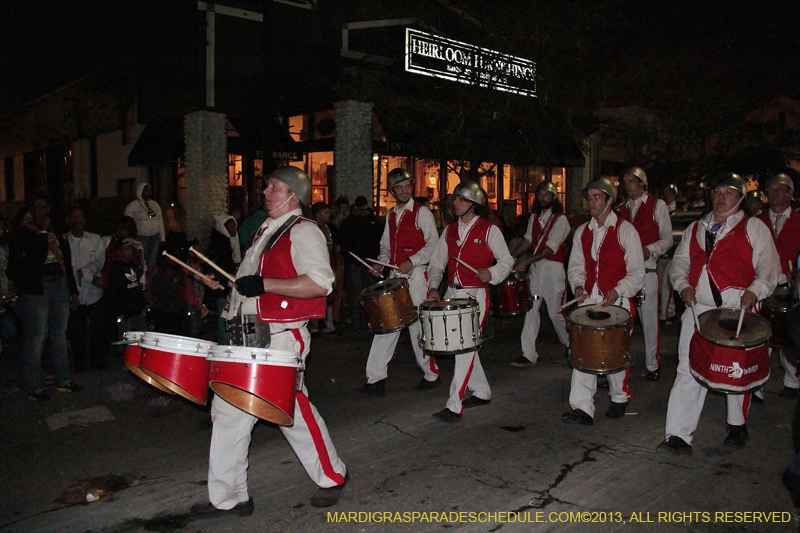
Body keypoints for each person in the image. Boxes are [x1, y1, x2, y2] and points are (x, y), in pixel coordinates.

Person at [190, 166, 347, 519]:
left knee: (289, 412)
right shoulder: (266, 229)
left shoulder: (304, 231)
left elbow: (321, 283)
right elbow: (251, 281)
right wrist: (229, 283)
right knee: (228, 412)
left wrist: (265, 284)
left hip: (279, 338)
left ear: (294, 194)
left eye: (273, 187)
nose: (265, 192)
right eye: (267, 187)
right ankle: (230, 498)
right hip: (248, 336)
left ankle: (333, 474)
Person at [658, 173, 779, 454]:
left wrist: (755, 290)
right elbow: (680, 263)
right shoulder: (696, 228)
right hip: (698, 309)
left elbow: (769, 268)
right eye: (717, 192)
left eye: (728, 192)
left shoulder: (755, 228)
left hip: (736, 309)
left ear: (740, 198)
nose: (721, 197)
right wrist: (683, 285)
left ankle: (737, 425)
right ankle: (678, 435)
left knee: (735, 369)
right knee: (688, 368)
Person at [426, 181, 513, 423]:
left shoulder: (489, 230)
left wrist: (492, 273)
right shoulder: (449, 230)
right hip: (452, 293)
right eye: (455, 199)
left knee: (462, 349)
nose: (455, 203)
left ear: (473, 205)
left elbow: (506, 261)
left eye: (461, 200)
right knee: (464, 346)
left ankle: (454, 404)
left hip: (475, 295)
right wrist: (433, 286)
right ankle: (482, 391)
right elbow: (437, 263)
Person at [563, 177, 644, 425]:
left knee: (615, 354)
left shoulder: (625, 230)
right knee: (583, 351)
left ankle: (619, 397)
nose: (591, 202)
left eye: (597, 197)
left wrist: (618, 290)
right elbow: (576, 265)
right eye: (589, 197)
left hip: (617, 301)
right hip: (589, 300)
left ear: (610, 200)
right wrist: (577, 285)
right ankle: (582, 407)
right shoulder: (582, 232)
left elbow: (637, 273)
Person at [358, 169, 441, 396]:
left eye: (407, 186)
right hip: (396, 277)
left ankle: (431, 373)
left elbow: (434, 245)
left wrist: (412, 261)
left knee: (418, 329)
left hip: (416, 278)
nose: (405, 191)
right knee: (386, 326)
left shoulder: (422, 213)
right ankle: (375, 380)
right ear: (392, 191)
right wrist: (381, 264)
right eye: (399, 187)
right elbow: (385, 247)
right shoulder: (391, 214)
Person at [8, 191, 81, 401]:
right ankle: (34, 386)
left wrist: (73, 291)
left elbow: (66, 261)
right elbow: (36, 257)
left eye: (43, 207)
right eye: (35, 207)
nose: (39, 211)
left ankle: (63, 379)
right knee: (37, 336)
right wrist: (40, 231)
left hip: (59, 284)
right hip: (37, 288)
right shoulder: (24, 231)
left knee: (59, 335)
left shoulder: (56, 229)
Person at [616, 167, 673, 381]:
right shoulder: (621, 209)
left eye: (632, 180)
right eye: (625, 181)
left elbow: (667, 239)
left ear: (642, 183)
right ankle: (617, 364)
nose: (628, 184)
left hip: (647, 268)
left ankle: (652, 364)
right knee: (621, 320)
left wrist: (649, 249)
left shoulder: (657, 205)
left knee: (649, 321)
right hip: (624, 273)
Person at [509, 181, 571, 366]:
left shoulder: (561, 219)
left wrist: (526, 261)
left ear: (554, 197)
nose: (543, 198)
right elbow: (528, 239)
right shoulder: (535, 216)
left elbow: (550, 249)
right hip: (537, 269)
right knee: (531, 309)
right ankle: (528, 353)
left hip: (552, 269)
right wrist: (513, 255)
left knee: (555, 313)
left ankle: (571, 343)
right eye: (540, 194)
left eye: (547, 194)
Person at [756, 173, 800, 399]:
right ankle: (757, 383)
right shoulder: (757, 220)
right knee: (762, 335)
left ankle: (792, 380)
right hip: (762, 284)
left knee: (789, 335)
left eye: (779, 190)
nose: (774, 194)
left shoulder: (799, 221)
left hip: (789, 285)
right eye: (770, 190)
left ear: (790, 194)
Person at [65, 207, 107, 371]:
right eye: (74, 216)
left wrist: (86, 273)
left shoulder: (94, 239)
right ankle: (80, 363)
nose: (78, 220)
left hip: (94, 292)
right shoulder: (65, 241)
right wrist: (84, 275)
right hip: (76, 292)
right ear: (68, 220)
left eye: (81, 216)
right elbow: (71, 268)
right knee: (77, 330)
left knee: (98, 329)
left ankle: (97, 360)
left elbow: (98, 261)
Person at [339, 196, 383, 334]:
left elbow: (345, 242)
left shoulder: (350, 222)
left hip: (358, 261)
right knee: (369, 294)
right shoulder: (373, 221)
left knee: (357, 294)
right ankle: (369, 322)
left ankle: (358, 323)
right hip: (367, 261)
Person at [208, 215, 242, 344]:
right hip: (223, 288)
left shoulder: (233, 242)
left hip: (231, 285)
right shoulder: (221, 244)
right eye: (231, 226)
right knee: (224, 318)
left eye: (235, 225)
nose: (234, 229)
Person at [311, 202, 340, 335]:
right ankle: (314, 325)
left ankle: (328, 323)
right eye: (326, 213)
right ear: (317, 214)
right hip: (317, 266)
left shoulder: (328, 227)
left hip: (329, 264)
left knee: (330, 295)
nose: (329, 215)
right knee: (315, 296)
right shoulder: (311, 228)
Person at [124, 183, 165, 269]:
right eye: (146, 190)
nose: (148, 192)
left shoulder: (155, 205)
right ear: (140, 191)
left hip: (155, 237)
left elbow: (160, 221)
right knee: (142, 259)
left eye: (149, 190)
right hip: (141, 237)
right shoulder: (133, 205)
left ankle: (150, 278)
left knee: (152, 260)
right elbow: (126, 223)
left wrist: (162, 238)